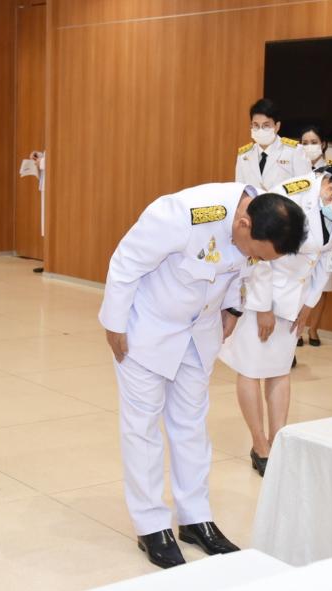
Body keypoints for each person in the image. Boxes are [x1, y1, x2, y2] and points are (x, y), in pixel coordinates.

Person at [99, 183, 306, 569]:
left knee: (191, 425)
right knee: (143, 427)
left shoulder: (262, 212)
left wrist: (233, 309)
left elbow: (238, 270)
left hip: (199, 333)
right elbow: (126, 262)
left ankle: (195, 518)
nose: (256, 259)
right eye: (258, 252)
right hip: (148, 328)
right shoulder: (181, 214)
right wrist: (115, 323)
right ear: (243, 224)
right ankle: (151, 525)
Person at [220, 161, 332, 476]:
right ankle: (259, 445)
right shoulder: (292, 195)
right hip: (262, 294)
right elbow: (260, 252)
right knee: (251, 369)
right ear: (331, 189)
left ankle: (278, 442)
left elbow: (327, 255)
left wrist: (310, 303)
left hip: (295, 298)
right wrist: (263, 307)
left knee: (279, 369)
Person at [296, 124, 332, 348]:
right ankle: (297, 330)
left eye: (314, 142)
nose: (309, 146)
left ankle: (314, 328)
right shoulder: (297, 168)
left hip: (326, 233)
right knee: (300, 281)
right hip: (299, 233)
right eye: (305, 143)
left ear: (323, 144)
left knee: (321, 283)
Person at [235, 98, 311, 191]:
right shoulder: (244, 155)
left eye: (266, 125)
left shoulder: (294, 151)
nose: (260, 130)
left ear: (277, 126)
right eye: (256, 125)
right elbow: (239, 190)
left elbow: (306, 189)